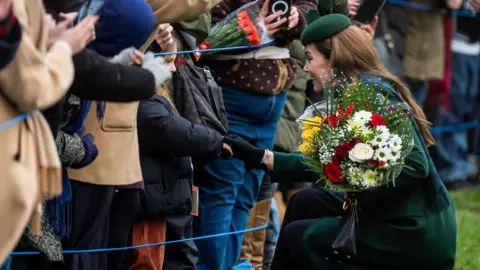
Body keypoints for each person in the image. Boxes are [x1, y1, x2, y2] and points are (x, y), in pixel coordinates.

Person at [223, 7, 456, 270]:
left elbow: (415, 167)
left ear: (334, 58)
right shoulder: (354, 92)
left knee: (299, 237)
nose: (306, 67)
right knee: (305, 201)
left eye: (310, 58)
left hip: (411, 229)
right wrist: (264, 158)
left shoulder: (373, 94)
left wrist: (355, 177)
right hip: (386, 212)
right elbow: (333, 162)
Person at [193, 0, 316, 268]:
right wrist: (252, 25)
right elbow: (203, 26)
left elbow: (309, 6)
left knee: (245, 195)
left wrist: (296, 17)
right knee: (222, 191)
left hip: (275, 100)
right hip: (231, 95)